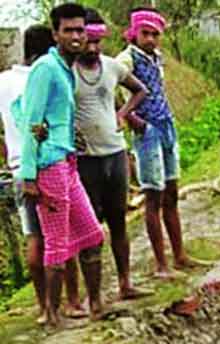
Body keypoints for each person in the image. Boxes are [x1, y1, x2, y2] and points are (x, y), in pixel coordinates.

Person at [16, 3, 106, 327]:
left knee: (93, 235)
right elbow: (31, 121)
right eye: (68, 30)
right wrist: (28, 176)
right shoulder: (45, 68)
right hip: (48, 167)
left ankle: (96, 305)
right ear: (55, 34)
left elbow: (55, 119)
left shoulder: (65, 68)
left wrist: (69, 136)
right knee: (57, 244)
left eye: (80, 29)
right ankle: (52, 315)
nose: (76, 36)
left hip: (66, 162)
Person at [0, 24, 86, 325]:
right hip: (46, 164)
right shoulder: (48, 73)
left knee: (35, 238)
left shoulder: (4, 82)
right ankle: (72, 301)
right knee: (63, 235)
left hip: (17, 166)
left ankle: (43, 306)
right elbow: (39, 127)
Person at [75, 9, 150, 301]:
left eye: (98, 42)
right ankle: (94, 300)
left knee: (118, 221)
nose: (93, 48)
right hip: (84, 161)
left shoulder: (111, 67)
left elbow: (139, 90)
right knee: (90, 230)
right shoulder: (66, 73)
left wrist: (122, 114)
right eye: (88, 41)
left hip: (115, 154)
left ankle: (125, 283)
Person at [117, 7, 195, 280]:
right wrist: (132, 119)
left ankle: (180, 254)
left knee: (172, 190)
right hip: (147, 131)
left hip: (166, 125)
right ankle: (161, 264)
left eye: (155, 34)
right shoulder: (126, 59)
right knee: (153, 196)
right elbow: (113, 89)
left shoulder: (155, 58)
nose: (150, 39)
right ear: (134, 33)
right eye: (145, 33)